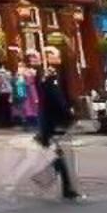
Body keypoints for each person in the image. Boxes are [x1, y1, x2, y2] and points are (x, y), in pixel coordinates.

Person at [33, 46, 82, 201]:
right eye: (54, 56)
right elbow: (57, 103)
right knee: (62, 157)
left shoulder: (52, 80)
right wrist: (70, 117)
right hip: (56, 125)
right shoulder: (49, 82)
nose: (58, 59)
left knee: (61, 157)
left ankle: (53, 181)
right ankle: (65, 188)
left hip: (52, 125)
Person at [0, 61, 15, 127]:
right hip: (9, 90)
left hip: (2, 91)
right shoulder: (8, 73)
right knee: (8, 107)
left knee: (3, 107)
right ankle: (10, 121)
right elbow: (11, 81)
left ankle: (3, 122)